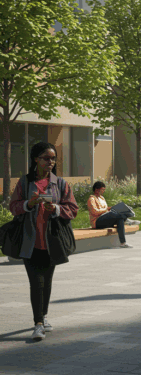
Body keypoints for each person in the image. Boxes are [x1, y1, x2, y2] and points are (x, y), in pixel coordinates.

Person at [9, 142, 79, 341]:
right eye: (46, 158)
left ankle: (44, 317)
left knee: (46, 282)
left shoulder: (61, 184)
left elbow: (72, 209)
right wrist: (28, 204)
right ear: (36, 160)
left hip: (51, 242)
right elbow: (13, 207)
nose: (51, 162)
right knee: (36, 282)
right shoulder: (24, 183)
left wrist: (55, 209)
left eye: (53, 158)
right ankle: (38, 323)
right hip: (29, 241)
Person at [87, 181, 141, 248]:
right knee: (118, 215)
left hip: (105, 219)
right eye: (102, 189)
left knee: (120, 218)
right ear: (97, 190)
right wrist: (107, 209)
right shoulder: (91, 199)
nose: (104, 191)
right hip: (97, 222)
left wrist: (109, 209)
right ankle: (127, 221)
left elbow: (105, 209)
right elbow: (94, 211)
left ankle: (123, 243)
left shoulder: (102, 198)